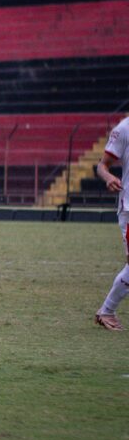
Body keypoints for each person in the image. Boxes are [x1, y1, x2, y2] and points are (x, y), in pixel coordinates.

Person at [94, 116, 129, 331]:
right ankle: (106, 311)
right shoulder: (124, 128)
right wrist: (108, 178)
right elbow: (102, 165)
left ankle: (106, 311)